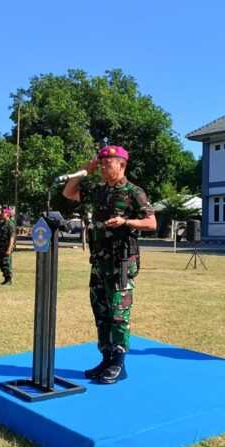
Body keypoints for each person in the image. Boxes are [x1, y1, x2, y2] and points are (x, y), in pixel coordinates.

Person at [62, 145, 156, 384]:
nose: (103, 167)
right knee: (101, 312)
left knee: (118, 313)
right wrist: (86, 169)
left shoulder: (134, 192)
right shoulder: (98, 190)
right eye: (101, 163)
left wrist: (126, 221)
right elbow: (68, 192)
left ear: (122, 165)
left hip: (121, 262)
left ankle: (119, 362)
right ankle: (106, 357)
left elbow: (151, 222)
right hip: (99, 262)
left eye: (108, 163)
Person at [0, 208, 16, 285]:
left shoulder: (10, 224)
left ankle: (9, 279)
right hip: (1, 247)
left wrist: (9, 248)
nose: (1, 214)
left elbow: (12, 237)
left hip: (6, 247)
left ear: (7, 214)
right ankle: (5, 278)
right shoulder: (1, 223)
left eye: (3, 213)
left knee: (7, 263)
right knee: (1, 263)